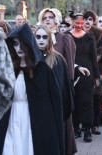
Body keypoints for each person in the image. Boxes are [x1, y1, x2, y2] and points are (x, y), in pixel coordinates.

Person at [0, 23, 64, 155]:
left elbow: (55, 103)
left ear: (29, 43)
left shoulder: (42, 70)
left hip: (35, 119)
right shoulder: (8, 69)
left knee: (30, 146)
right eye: (15, 44)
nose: (19, 48)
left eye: (22, 43)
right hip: (12, 117)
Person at [37, 8, 77, 154]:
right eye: (45, 17)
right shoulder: (36, 37)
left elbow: (70, 64)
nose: (48, 20)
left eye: (51, 17)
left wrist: (69, 85)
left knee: (62, 121)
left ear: (57, 19)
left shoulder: (64, 38)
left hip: (59, 86)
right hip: (41, 89)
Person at [68, 12, 100, 143]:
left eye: (82, 23)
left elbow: (93, 57)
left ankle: (87, 129)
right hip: (71, 71)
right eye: (77, 23)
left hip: (87, 71)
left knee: (87, 101)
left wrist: (97, 76)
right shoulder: (67, 37)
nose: (80, 25)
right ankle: (75, 128)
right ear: (73, 23)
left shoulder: (89, 37)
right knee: (74, 100)